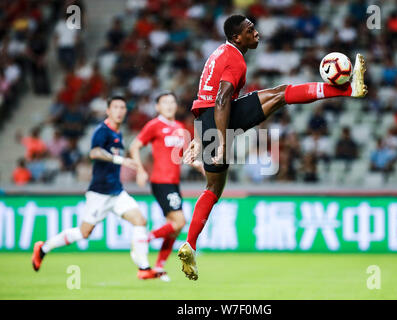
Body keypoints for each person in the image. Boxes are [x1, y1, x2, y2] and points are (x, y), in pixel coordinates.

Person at [179, 14, 368, 280]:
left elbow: (206, 101)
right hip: (220, 118)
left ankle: (190, 243)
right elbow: (221, 99)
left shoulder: (219, 53)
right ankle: (350, 90)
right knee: (281, 94)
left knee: (212, 188)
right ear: (237, 37)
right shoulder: (233, 57)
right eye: (250, 30)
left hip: (208, 121)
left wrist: (201, 138)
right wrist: (221, 142)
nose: (256, 32)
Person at [32, 97, 154, 280]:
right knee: (84, 232)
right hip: (100, 193)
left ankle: (144, 268)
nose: (120, 111)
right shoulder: (102, 131)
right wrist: (120, 160)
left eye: (122, 107)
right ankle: (43, 248)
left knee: (140, 220)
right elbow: (94, 152)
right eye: (116, 107)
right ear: (108, 111)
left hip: (117, 191)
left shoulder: (118, 133)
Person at [129, 92, 204, 281]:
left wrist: (199, 165)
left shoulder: (180, 128)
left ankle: (159, 267)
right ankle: (143, 239)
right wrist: (140, 170)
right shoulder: (154, 125)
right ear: (157, 107)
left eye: (172, 102)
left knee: (175, 228)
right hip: (161, 182)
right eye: (165, 102)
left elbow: (186, 156)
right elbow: (134, 146)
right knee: (179, 222)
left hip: (174, 183)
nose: (170, 105)